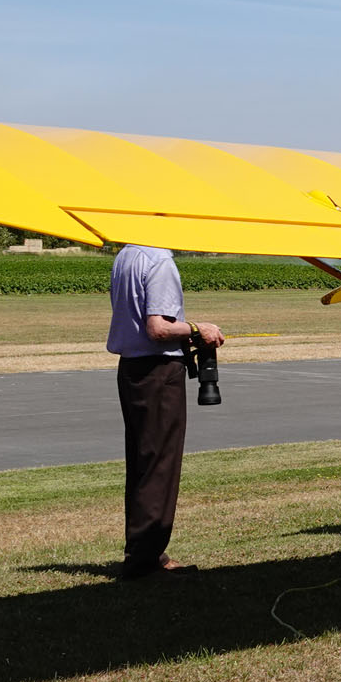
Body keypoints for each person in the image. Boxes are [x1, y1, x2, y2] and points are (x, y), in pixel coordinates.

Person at [107, 245, 223, 579]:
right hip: (158, 370)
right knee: (160, 464)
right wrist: (200, 329)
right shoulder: (160, 261)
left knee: (144, 461)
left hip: (131, 368)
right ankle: (144, 559)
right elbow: (158, 328)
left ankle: (144, 551)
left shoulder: (126, 256)